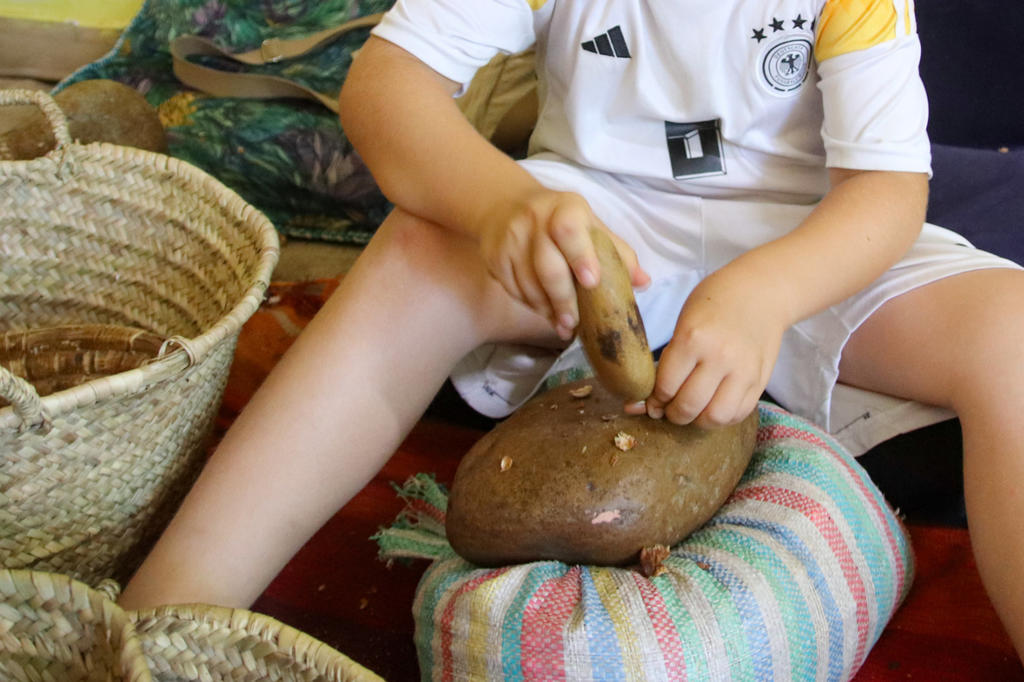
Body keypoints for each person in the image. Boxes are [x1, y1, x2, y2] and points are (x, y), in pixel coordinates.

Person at [118, 0, 1024, 662]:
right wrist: (498, 202)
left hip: (804, 241)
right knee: (410, 257)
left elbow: (887, 192)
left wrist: (768, 292)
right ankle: (164, 617)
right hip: (594, 219)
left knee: (1009, 335)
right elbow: (385, 91)